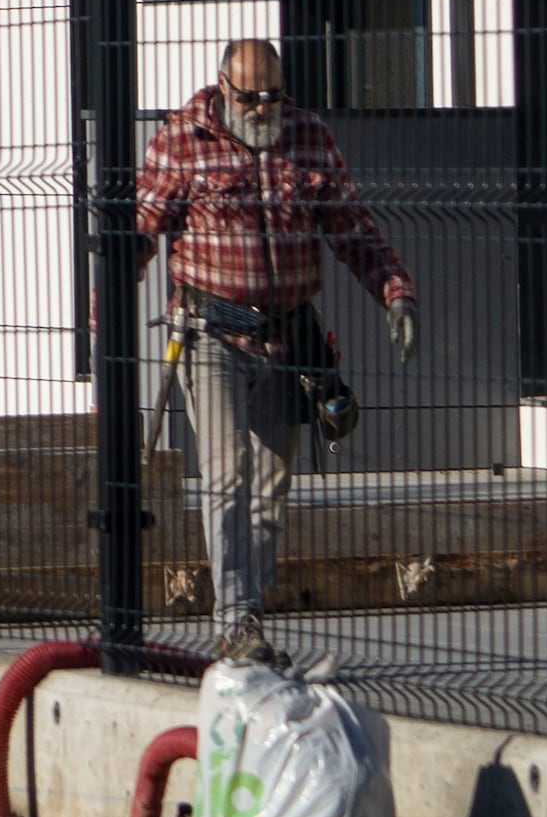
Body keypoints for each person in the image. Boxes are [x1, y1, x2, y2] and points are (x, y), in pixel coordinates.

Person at [137, 37, 417, 648]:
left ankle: (249, 615)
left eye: (273, 96)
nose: (264, 109)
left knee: (270, 482)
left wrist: (394, 292)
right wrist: (106, 312)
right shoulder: (183, 140)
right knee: (228, 468)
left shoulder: (309, 136)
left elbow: (352, 226)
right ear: (222, 86)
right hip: (210, 331)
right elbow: (140, 228)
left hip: (288, 337)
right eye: (250, 97)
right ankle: (235, 622)